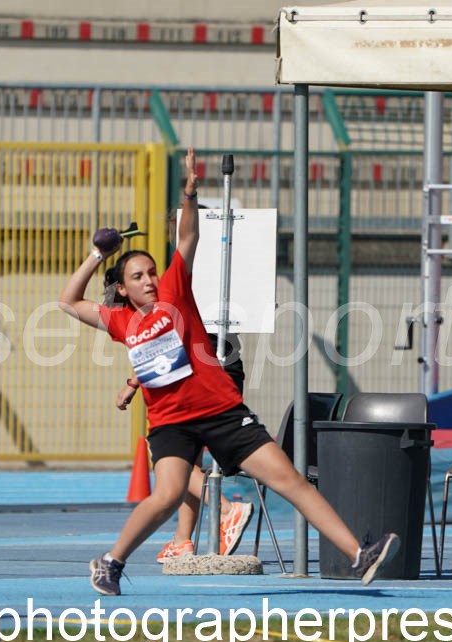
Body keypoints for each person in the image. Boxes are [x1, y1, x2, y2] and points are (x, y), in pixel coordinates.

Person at [60, 147, 399, 596]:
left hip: (221, 411)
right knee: (168, 496)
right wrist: (97, 254)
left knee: (289, 480)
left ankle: (359, 554)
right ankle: (110, 562)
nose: (150, 279)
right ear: (122, 288)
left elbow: (187, 238)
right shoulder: (120, 321)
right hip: (171, 423)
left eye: (152, 272)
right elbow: (68, 302)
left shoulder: (174, 292)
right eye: (138, 276)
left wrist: (189, 194)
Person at [113, 330, 251, 563]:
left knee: (175, 459)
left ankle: (227, 510)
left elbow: (166, 338)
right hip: (226, 365)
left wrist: (133, 383)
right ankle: (181, 541)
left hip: (193, 372)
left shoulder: (179, 310)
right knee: (187, 458)